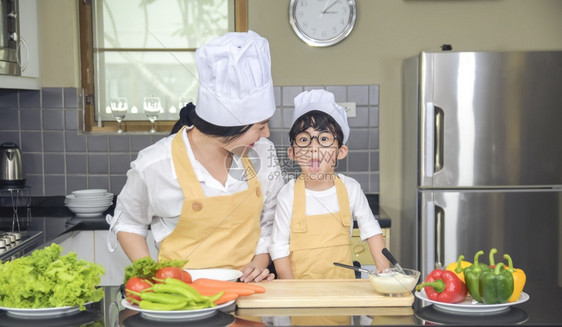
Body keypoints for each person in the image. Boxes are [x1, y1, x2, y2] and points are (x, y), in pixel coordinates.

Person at [106, 30, 284, 283]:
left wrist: (258, 263)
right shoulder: (155, 164)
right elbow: (129, 223)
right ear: (229, 127)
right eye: (260, 125)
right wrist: (152, 274)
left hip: (249, 290)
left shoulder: (262, 151)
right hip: (182, 297)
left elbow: (268, 220)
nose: (266, 133)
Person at [269, 89, 390, 280]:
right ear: (292, 153)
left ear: (340, 152)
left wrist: (385, 274)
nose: (314, 148)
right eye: (303, 140)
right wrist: (291, 291)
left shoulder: (351, 189)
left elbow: (372, 232)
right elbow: (278, 247)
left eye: (324, 139)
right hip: (301, 298)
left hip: (344, 293)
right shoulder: (288, 194)